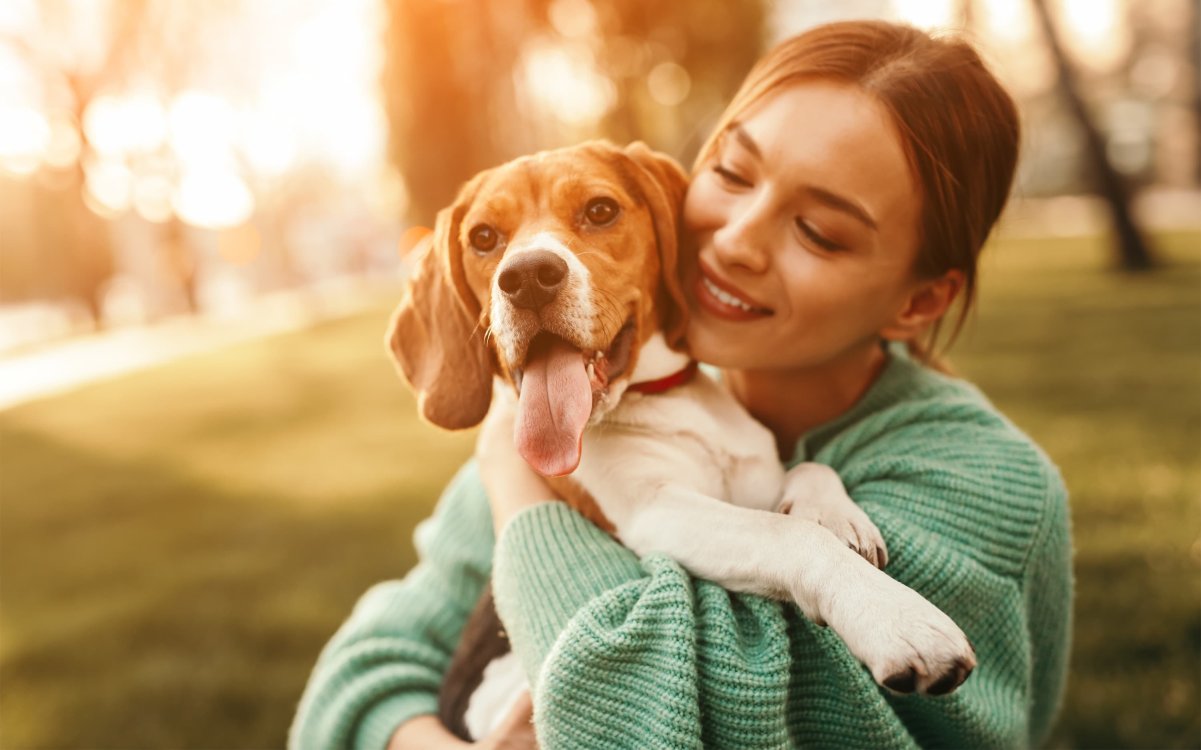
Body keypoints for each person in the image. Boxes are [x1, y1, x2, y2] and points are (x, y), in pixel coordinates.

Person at [290, 19, 1072, 750]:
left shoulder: (978, 487)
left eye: (819, 231)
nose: (733, 242)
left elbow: (637, 723)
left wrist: (519, 494)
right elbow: (360, 674)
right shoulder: (560, 414)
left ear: (917, 301)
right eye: (731, 173)